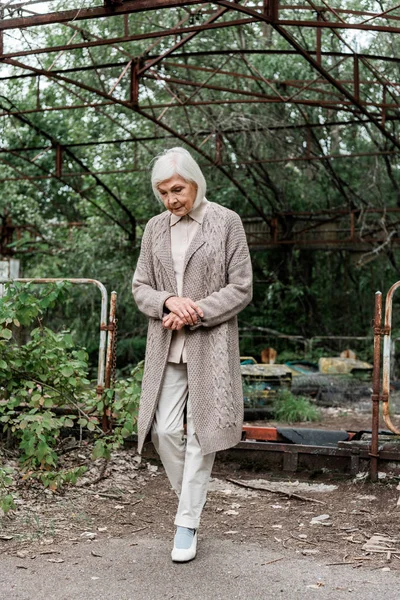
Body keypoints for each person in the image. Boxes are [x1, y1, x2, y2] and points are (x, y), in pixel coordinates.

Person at [132, 147, 252, 562]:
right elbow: (140, 287)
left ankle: (186, 524)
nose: (171, 200)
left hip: (210, 344)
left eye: (177, 189)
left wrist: (195, 310)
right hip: (166, 345)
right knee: (164, 431)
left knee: (203, 434)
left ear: (196, 182)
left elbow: (241, 287)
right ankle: (194, 501)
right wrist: (168, 301)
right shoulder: (153, 229)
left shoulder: (226, 222)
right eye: (163, 193)